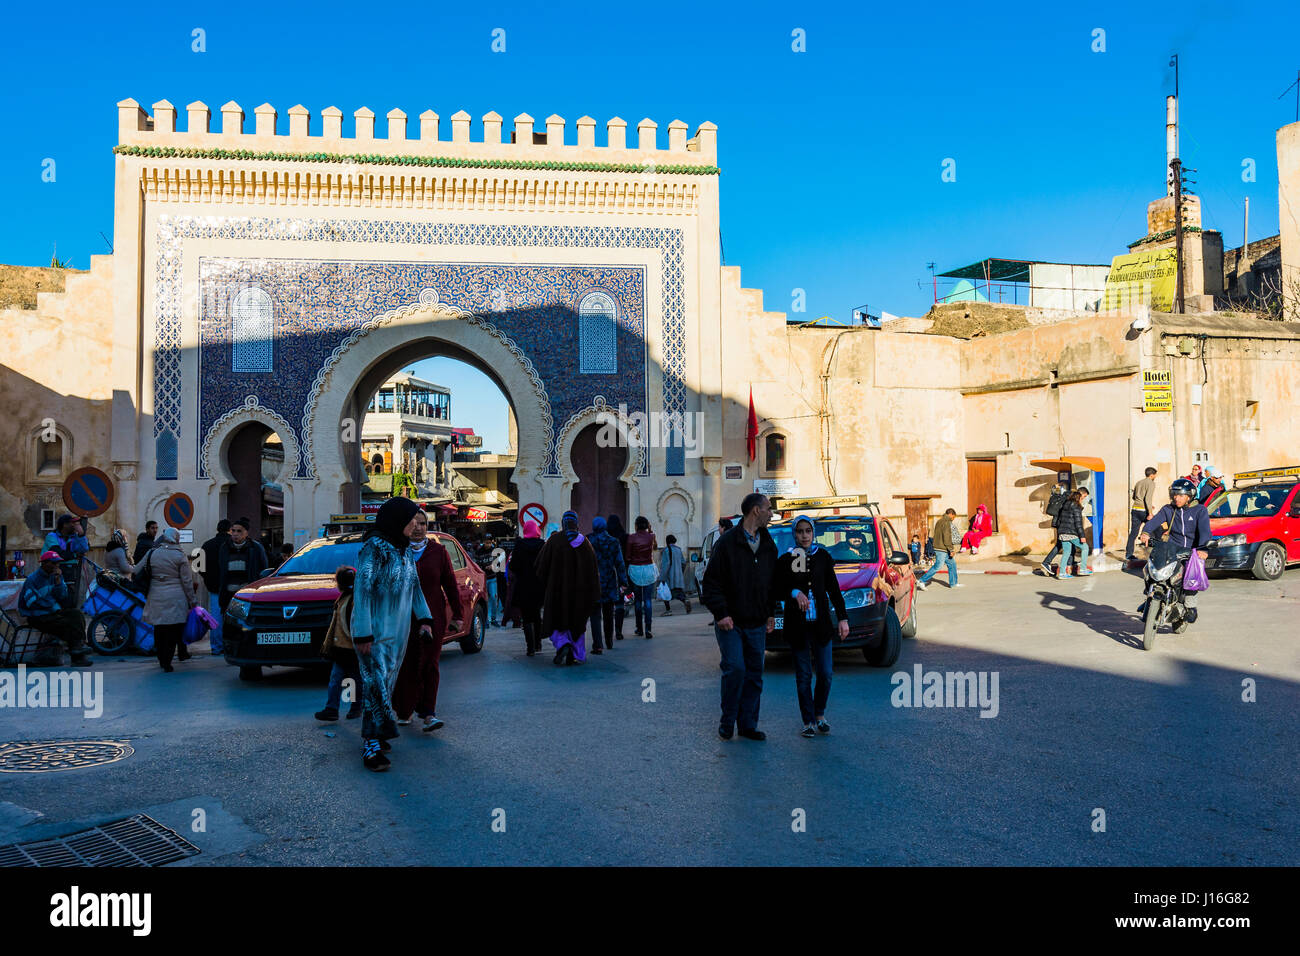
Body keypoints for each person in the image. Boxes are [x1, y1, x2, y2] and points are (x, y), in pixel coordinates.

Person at [351, 497, 437, 772]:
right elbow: (362, 591)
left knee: (385, 685)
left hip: (397, 634)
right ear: (398, 520)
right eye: (411, 520)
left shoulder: (404, 551)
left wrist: (425, 619)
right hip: (374, 633)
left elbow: (415, 588)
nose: (415, 525)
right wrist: (363, 634)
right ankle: (370, 746)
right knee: (375, 687)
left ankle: (379, 734)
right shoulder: (373, 549)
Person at [700, 493, 778, 742]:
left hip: (756, 621)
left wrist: (770, 613)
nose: (771, 513)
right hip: (731, 622)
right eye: (768, 509)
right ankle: (727, 721)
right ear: (755, 511)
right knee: (735, 668)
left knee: (755, 674)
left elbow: (771, 584)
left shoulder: (768, 544)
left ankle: (748, 725)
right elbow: (710, 583)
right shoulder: (727, 543)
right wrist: (721, 614)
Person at [773, 515, 849, 738]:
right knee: (804, 675)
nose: (804, 536)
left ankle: (820, 714)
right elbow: (776, 589)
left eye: (808, 531)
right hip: (798, 627)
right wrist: (794, 592)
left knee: (825, 673)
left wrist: (843, 618)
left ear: (813, 532)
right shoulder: (786, 560)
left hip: (821, 625)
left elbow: (834, 590)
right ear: (794, 534)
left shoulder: (823, 557)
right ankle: (808, 721)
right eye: (800, 531)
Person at [393, 510, 463, 732]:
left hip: (433, 619)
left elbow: (450, 584)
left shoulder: (438, 552)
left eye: (423, 523)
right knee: (406, 664)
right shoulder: (396, 551)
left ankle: (429, 713)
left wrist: (458, 616)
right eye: (414, 524)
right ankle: (404, 710)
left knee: (430, 664)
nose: (418, 528)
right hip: (403, 619)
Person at [1139, 478, 1213, 620]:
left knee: (1191, 576)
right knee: (1150, 568)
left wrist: (1203, 548)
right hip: (1171, 548)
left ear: (1189, 496)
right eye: (1174, 494)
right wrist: (1145, 532)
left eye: (1181, 495)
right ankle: (1149, 595)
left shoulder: (1200, 510)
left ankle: (1190, 606)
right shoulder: (1168, 509)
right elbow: (1154, 521)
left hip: (1191, 551)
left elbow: (1204, 531)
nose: (1176, 498)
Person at [535, 511, 600, 666]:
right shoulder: (585, 542)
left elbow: (540, 566)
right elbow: (593, 570)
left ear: (564, 523)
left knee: (557, 620)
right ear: (576, 523)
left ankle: (563, 644)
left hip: (557, 591)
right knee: (577, 622)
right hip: (580, 593)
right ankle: (577, 654)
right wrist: (594, 592)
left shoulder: (554, 540)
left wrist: (546, 583)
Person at [135, 527, 198, 671]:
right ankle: (168, 662)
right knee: (174, 629)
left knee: (159, 628)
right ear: (176, 538)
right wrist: (193, 601)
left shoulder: (152, 552)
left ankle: (161, 658)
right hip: (176, 597)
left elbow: (136, 569)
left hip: (156, 594)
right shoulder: (180, 555)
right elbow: (187, 582)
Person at [18, 551, 92, 666]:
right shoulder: (33, 580)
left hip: (51, 611)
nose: (56, 566)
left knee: (76, 615)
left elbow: (63, 596)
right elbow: (32, 603)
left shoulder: (56, 576)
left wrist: (58, 583)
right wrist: (52, 606)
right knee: (67, 624)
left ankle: (79, 648)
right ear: (44, 563)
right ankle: (78, 655)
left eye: (57, 563)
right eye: (53, 563)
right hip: (37, 616)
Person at [316, 566, 362, 722]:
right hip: (342, 648)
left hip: (349, 649)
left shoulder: (351, 600)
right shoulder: (344, 599)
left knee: (348, 680)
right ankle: (333, 709)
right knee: (341, 679)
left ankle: (353, 708)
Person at [587, 516, 629, 653]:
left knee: (595, 615)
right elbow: (620, 563)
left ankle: (598, 645)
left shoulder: (588, 540)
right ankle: (609, 641)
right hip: (610, 581)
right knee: (608, 612)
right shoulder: (613, 541)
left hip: (593, 581)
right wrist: (623, 582)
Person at [508, 520, 547, 655]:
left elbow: (513, 566)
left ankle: (530, 647)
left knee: (526, 617)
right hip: (539, 586)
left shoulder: (520, 545)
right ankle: (538, 644)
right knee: (536, 615)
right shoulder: (542, 545)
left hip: (523, 585)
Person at [216, 517, 269, 612]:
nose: (235, 534)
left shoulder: (255, 548)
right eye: (233, 531)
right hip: (229, 595)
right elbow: (221, 570)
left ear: (246, 533)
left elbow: (263, 568)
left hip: (248, 595)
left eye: (239, 531)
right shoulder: (225, 547)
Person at [199, 519, 231, 654]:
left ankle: (216, 647)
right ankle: (230, 646)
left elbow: (198, 566)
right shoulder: (232, 544)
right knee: (231, 617)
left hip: (213, 587)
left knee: (216, 617)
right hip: (231, 587)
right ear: (230, 530)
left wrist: (208, 578)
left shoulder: (207, 545)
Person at [44, 513, 90, 607]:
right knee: (55, 594)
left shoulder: (74, 537)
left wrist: (81, 535)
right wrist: (74, 555)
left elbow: (84, 549)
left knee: (69, 596)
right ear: (64, 525)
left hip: (71, 570)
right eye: (72, 523)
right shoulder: (51, 536)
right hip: (53, 569)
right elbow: (57, 553)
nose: (75, 526)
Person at [625, 516, 659, 638]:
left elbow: (628, 556)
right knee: (648, 600)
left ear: (636, 525)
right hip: (649, 568)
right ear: (647, 525)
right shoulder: (652, 536)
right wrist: (650, 531)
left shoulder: (631, 537)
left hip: (636, 569)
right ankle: (648, 628)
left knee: (638, 601)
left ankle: (639, 628)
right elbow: (655, 547)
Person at [916, 509, 960, 590]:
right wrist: (951, 549)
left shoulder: (940, 521)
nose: (953, 518)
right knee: (938, 566)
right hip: (941, 548)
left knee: (952, 564)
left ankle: (953, 583)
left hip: (942, 547)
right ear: (950, 514)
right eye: (954, 516)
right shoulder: (946, 522)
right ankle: (922, 580)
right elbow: (947, 537)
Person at [1054, 491, 1093, 578]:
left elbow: (1060, 520)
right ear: (1077, 498)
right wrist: (1082, 536)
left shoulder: (1065, 505)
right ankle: (1083, 569)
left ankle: (1062, 573)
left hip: (1062, 532)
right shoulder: (1076, 507)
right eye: (1081, 498)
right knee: (1085, 547)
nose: (1082, 500)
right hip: (1071, 533)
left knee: (1066, 552)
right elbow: (1078, 523)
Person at [605, 514, 631, 636]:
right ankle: (618, 630)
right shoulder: (625, 537)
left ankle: (608, 633)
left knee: (608, 604)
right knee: (620, 603)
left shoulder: (605, 538)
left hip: (606, 575)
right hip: (620, 573)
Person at [1126, 467, 1158, 560]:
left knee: (1133, 533)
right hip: (1144, 511)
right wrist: (1150, 512)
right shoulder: (1151, 483)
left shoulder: (1139, 482)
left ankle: (1129, 555)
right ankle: (1154, 554)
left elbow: (1134, 497)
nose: (1155, 476)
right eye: (1155, 475)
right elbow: (1148, 498)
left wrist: (1147, 505)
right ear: (1152, 475)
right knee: (1154, 530)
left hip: (1135, 509)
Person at [659, 534, 691, 615]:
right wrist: (681, 572)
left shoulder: (666, 550)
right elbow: (683, 563)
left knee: (665, 592)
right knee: (678, 592)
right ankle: (685, 600)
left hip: (669, 576)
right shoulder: (679, 550)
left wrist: (662, 577)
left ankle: (668, 610)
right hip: (678, 575)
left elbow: (665, 565)